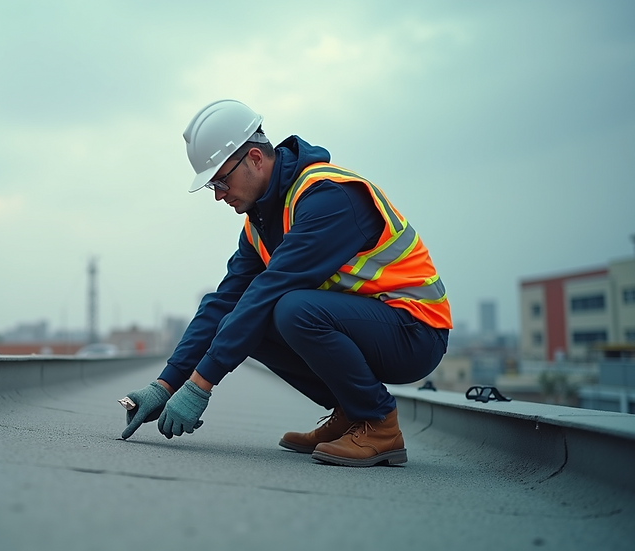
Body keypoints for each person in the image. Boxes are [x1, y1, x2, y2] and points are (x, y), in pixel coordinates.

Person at [120, 99, 451, 467]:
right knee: (246, 318)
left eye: (221, 179)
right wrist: (165, 385)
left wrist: (200, 385)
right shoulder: (259, 223)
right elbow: (223, 303)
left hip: (414, 331)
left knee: (288, 309)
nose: (218, 194)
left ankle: (378, 423)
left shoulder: (328, 197)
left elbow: (269, 291)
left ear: (256, 159)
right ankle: (350, 412)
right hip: (371, 328)